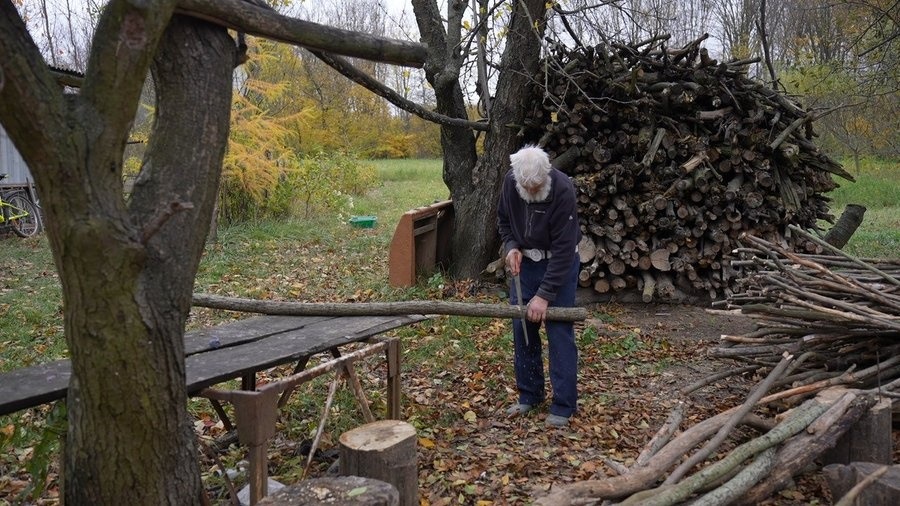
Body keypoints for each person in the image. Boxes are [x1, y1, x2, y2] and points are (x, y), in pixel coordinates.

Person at [497, 144, 581, 427]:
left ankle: (564, 405)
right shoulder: (511, 185)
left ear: (547, 175)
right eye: (526, 186)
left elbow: (565, 249)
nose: (531, 192)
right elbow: (504, 222)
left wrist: (544, 296)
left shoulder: (563, 189)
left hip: (559, 264)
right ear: (516, 177)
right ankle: (530, 395)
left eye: (536, 187)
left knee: (559, 333)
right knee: (523, 330)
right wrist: (511, 248)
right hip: (526, 266)